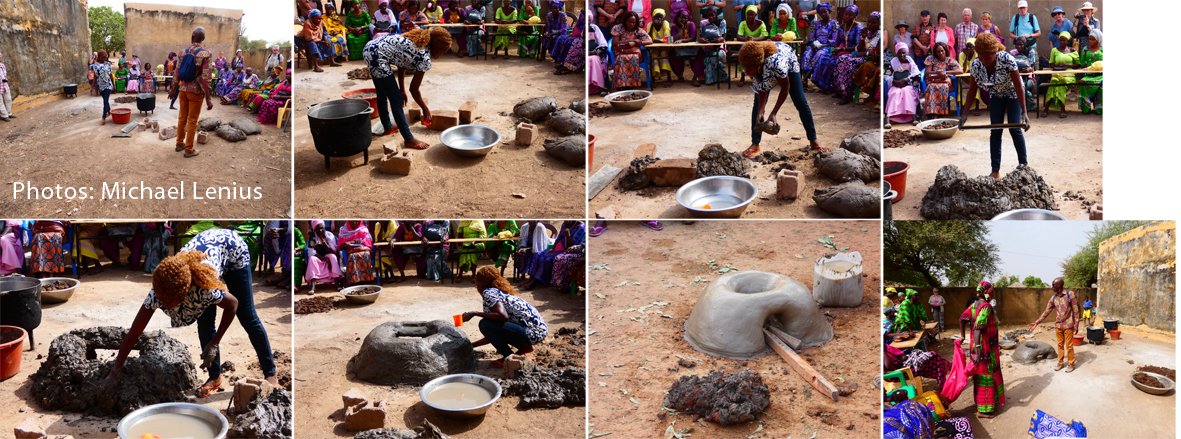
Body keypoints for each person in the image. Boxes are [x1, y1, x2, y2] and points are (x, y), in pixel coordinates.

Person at [108, 229, 277, 398]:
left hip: (232, 249)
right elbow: (134, 332)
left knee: (248, 317)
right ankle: (214, 376)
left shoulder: (204, 290)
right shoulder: (158, 292)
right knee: (205, 322)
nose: (163, 305)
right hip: (206, 254)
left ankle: (270, 374)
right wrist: (115, 370)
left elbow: (233, 305)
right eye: (161, 299)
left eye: (168, 302)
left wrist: (214, 343)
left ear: (184, 293)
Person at [362, 28, 451, 148]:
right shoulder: (424, 57)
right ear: (438, 47)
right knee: (396, 99)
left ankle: (387, 127)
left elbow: (401, 62)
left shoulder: (416, 41)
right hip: (377, 57)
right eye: (443, 52)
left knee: (382, 93)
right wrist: (425, 108)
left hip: (370, 48)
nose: (441, 55)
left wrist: (402, 90)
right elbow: (414, 89)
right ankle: (408, 138)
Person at [739, 40, 823, 159]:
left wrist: (773, 113)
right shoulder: (749, 65)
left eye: (749, 70)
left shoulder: (777, 64)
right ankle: (755, 143)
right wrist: (761, 112)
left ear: (758, 64)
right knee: (757, 107)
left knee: (800, 102)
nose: (747, 72)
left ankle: (813, 140)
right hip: (765, 66)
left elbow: (785, 89)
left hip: (788, 60)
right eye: (745, 69)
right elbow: (761, 89)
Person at [963, 32, 1027, 179]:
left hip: (1012, 93)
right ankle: (995, 170)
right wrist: (964, 114)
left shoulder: (1007, 59)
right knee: (995, 131)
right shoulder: (976, 65)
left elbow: (1018, 86)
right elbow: (972, 90)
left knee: (1015, 128)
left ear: (995, 51)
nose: (985, 60)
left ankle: (1024, 167)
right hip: (996, 95)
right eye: (981, 57)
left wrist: (1025, 112)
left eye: (988, 57)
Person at [462, 266, 549, 368]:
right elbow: (494, 332)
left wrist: (474, 313)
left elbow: (502, 316)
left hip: (533, 332)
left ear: (479, 282)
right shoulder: (498, 292)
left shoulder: (488, 292)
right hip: (538, 331)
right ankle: (525, 348)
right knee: (488, 324)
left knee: (484, 324)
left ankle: (509, 357)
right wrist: (472, 345)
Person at [960, 281, 1005, 418]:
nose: (993, 294)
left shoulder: (974, 305)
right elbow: (978, 329)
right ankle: (984, 410)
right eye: (992, 291)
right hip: (985, 351)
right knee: (987, 377)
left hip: (979, 348)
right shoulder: (985, 307)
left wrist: (963, 336)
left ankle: (984, 404)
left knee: (980, 376)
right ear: (988, 292)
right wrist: (979, 352)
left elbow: (962, 319)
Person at [170, 27, 214, 158]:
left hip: (183, 90)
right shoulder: (206, 54)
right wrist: (209, 98)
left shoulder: (183, 53)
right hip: (196, 92)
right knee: (192, 121)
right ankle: (189, 149)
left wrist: (173, 89)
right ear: (203, 39)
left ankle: (179, 144)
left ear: (192, 37)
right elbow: (206, 78)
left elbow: (176, 73)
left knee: (182, 118)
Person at [1030, 277, 1080, 373]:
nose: (1052, 287)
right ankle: (1060, 363)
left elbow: (1075, 311)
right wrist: (1037, 322)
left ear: (1059, 285)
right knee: (1060, 345)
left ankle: (1071, 364)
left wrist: (1076, 324)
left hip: (1068, 325)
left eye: (1053, 285)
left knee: (1069, 346)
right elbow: (1046, 311)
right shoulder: (1053, 298)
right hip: (1058, 326)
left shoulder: (1070, 295)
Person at [833, 11, 879, 105]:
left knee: (850, 64)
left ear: (879, 24)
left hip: (870, 59)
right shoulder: (868, 33)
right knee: (841, 59)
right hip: (862, 55)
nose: (870, 24)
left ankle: (848, 94)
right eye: (868, 22)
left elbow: (875, 53)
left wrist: (863, 54)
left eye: (873, 23)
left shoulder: (880, 35)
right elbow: (858, 48)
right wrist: (863, 37)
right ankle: (839, 89)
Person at [610, 11, 653, 91]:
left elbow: (650, 41)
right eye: (629, 21)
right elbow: (614, 43)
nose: (631, 24)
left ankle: (632, 85)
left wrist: (636, 42)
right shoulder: (618, 28)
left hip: (634, 53)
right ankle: (622, 85)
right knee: (620, 59)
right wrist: (627, 42)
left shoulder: (638, 30)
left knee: (634, 58)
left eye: (634, 22)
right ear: (625, 20)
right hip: (621, 52)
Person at [800, 3, 837, 89]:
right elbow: (811, 38)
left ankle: (804, 80)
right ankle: (805, 82)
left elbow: (834, 40)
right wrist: (813, 45)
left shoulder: (834, 23)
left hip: (827, 46)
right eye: (821, 13)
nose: (823, 14)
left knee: (818, 55)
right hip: (815, 46)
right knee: (806, 55)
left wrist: (821, 46)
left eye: (825, 12)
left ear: (829, 11)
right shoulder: (815, 23)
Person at [1043, 31, 1078, 118]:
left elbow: (1078, 64)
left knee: (1061, 84)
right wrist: (1058, 65)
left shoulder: (1072, 51)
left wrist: (1069, 65)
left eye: (1064, 40)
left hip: (1068, 75)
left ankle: (1062, 109)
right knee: (1053, 82)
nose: (1062, 42)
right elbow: (1051, 64)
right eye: (1060, 40)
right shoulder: (1054, 50)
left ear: (1067, 41)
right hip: (1057, 73)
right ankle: (1046, 108)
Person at [923, 42, 960, 120]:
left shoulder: (950, 60)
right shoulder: (931, 59)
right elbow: (926, 72)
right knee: (931, 87)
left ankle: (942, 114)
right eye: (938, 51)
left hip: (945, 84)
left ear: (945, 50)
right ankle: (934, 114)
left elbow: (960, 71)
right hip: (933, 82)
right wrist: (937, 72)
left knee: (943, 87)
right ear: (935, 52)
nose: (941, 53)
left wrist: (945, 72)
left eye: (942, 51)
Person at [885, 43, 920, 125]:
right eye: (900, 53)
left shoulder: (910, 60)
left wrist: (906, 79)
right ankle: (888, 118)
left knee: (907, 92)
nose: (902, 55)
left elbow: (917, 74)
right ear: (896, 53)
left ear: (906, 52)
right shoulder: (893, 61)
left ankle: (913, 116)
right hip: (895, 85)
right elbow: (887, 74)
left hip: (908, 85)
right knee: (894, 93)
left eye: (903, 53)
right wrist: (895, 82)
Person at [305, 220, 342, 293]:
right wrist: (325, 259)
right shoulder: (312, 236)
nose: (320, 230)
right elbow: (311, 252)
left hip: (328, 254)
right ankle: (312, 287)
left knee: (333, 257)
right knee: (312, 259)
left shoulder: (329, 235)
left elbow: (332, 251)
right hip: (318, 257)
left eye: (322, 228)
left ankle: (337, 284)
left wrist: (322, 240)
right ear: (315, 229)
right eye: (318, 229)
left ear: (324, 228)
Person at [698, 6, 729, 86]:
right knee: (708, 60)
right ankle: (721, 77)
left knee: (712, 59)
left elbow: (724, 35)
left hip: (720, 49)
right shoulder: (703, 23)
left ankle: (711, 80)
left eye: (713, 15)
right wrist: (701, 40)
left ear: (716, 15)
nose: (711, 17)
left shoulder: (722, 21)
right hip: (708, 48)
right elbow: (701, 36)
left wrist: (720, 40)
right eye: (709, 16)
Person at [338, 221, 375, 286]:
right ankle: (355, 280)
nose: (354, 222)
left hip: (362, 249)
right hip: (351, 251)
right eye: (353, 221)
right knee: (353, 256)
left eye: (356, 221)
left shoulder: (363, 229)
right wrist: (350, 242)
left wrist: (361, 241)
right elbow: (340, 245)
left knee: (365, 254)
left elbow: (368, 241)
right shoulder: (343, 230)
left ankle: (365, 280)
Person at [957, 38, 985, 116]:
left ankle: (977, 107)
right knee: (960, 84)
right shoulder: (961, 55)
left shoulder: (977, 55)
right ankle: (963, 107)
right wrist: (967, 56)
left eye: (971, 47)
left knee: (977, 85)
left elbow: (978, 67)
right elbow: (963, 69)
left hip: (975, 78)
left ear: (974, 48)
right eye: (967, 47)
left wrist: (971, 72)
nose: (968, 49)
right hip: (964, 78)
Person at [1077, 29, 1102, 114]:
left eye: (1093, 39)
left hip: (1101, 75)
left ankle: (1099, 109)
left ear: (1098, 39)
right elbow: (1082, 64)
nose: (1090, 41)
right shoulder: (1085, 49)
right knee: (1083, 81)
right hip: (1089, 74)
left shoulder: (1103, 50)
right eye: (1089, 39)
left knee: (1102, 85)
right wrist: (1089, 67)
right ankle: (1086, 107)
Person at [646, 9, 673, 85]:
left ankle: (669, 78)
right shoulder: (649, 24)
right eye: (656, 17)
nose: (659, 19)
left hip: (664, 47)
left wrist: (654, 41)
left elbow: (666, 38)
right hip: (654, 48)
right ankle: (654, 78)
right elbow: (648, 38)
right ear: (653, 17)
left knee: (664, 54)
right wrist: (652, 26)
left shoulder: (665, 24)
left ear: (663, 18)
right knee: (654, 55)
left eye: (661, 17)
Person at [92, 51, 115, 124]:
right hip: (101, 86)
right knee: (106, 100)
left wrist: (114, 85)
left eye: (105, 57)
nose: (104, 58)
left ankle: (103, 117)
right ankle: (109, 111)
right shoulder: (95, 65)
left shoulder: (108, 64)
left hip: (108, 85)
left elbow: (111, 75)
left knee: (105, 101)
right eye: (102, 57)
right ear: (99, 57)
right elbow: (95, 77)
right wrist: (92, 87)